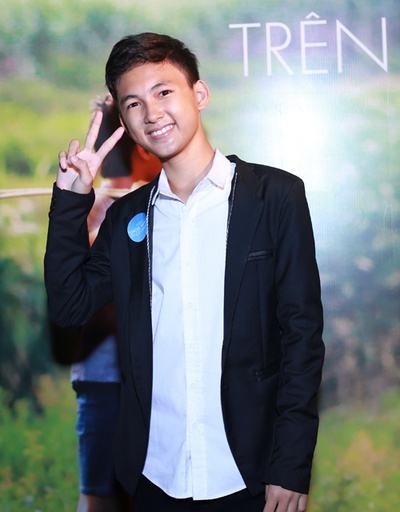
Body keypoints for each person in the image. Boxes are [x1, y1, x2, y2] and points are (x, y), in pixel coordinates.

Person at [44, 32, 325, 512]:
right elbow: (69, 306)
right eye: (133, 103)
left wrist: (291, 464)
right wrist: (72, 200)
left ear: (199, 94)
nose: (152, 112)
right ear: (125, 122)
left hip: (251, 474)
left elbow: (302, 336)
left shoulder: (275, 196)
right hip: (155, 475)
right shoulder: (128, 217)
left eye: (164, 91)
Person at [68, 95, 161, 512]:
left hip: (159, 379)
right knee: (100, 498)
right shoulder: (93, 210)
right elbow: (81, 302)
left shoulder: (162, 202)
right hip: (106, 379)